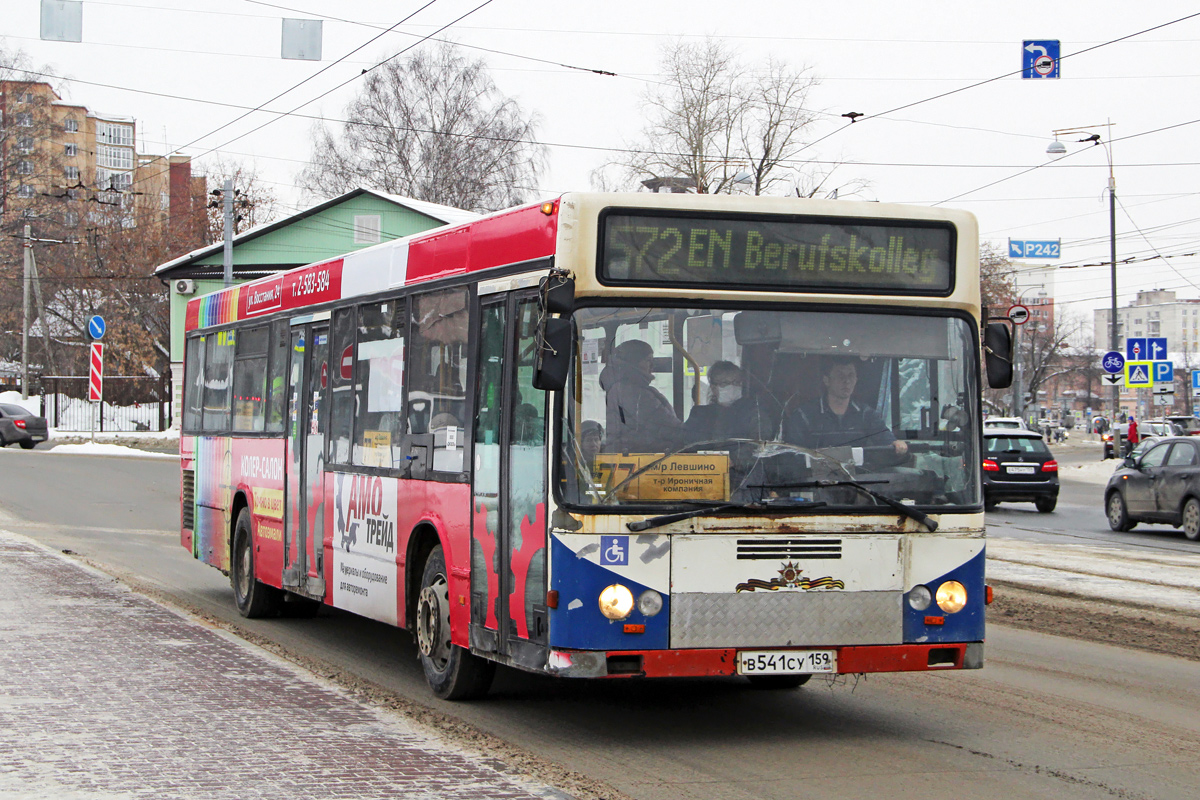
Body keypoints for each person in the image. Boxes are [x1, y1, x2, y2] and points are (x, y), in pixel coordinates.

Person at [782, 356, 908, 458]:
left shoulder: (866, 414)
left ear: (856, 380)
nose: (846, 381)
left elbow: (886, 440)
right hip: (814, 483)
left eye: (850, 375)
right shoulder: (804, 416)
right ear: (826, 381)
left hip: (858, 482)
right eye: (840, 375)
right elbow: (791, 456)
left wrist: (896, 443)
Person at [599, 340, 685, 453]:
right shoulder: (633, 393)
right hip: (638, 457)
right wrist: (697, 433)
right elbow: (666, 425)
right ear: (633, 362)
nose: (652, 366)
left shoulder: (621, 388)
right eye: (648, 361)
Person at [684, 360, 777, 441]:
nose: (732, 387)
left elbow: (760, 442)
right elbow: (687, 444)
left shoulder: (754, 413)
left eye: (736, 382)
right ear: (713, 388)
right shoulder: (699, 415)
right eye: (725, 383)